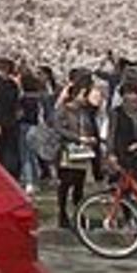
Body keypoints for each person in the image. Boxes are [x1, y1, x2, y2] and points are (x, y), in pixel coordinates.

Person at [53, 69, 100, 230]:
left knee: (79, 185)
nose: (85, 98)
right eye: (83, 94)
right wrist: (78, 138)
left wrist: (91, 138)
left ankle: (79, 215)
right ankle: (62, 214)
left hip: (82, 152)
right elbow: (59, 128)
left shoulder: (84, 112)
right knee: (65, 184)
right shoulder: (64, 109)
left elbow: (89, 127)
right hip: (67, 152)